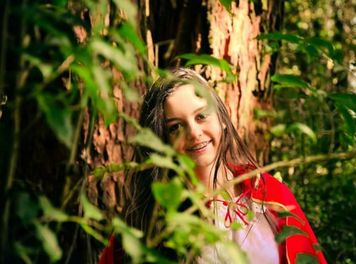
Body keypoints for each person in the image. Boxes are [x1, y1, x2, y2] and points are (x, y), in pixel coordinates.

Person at [99, 68, 327, 263]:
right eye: (176, 127)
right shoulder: (148, 218)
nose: (194, 133)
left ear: (222, 119)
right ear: (162, 141)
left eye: (201, 116)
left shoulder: (271, 196)